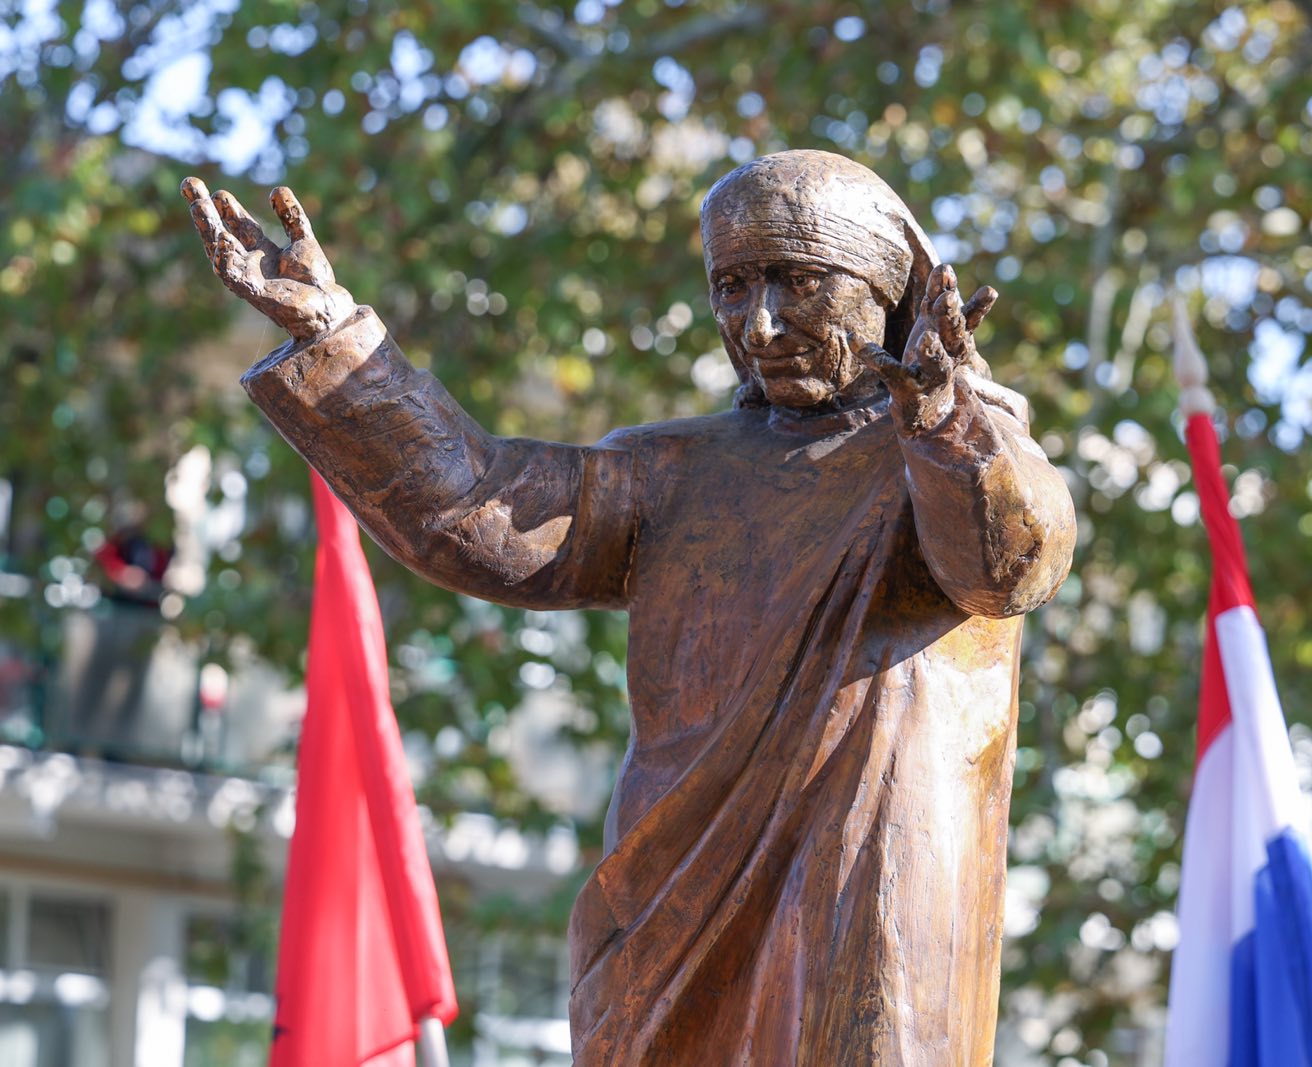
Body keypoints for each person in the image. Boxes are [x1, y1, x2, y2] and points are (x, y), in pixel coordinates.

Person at [183, 149, 1075, 1065]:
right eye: (733, 287)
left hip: (861, 895)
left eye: (800, 282)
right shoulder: (671, 470)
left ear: (887, 290)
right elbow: (486, 509)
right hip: (668, 903)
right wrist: (333, 337)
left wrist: (942, 418)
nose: (760, 323)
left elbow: (1008, 565)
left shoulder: (958, 453)